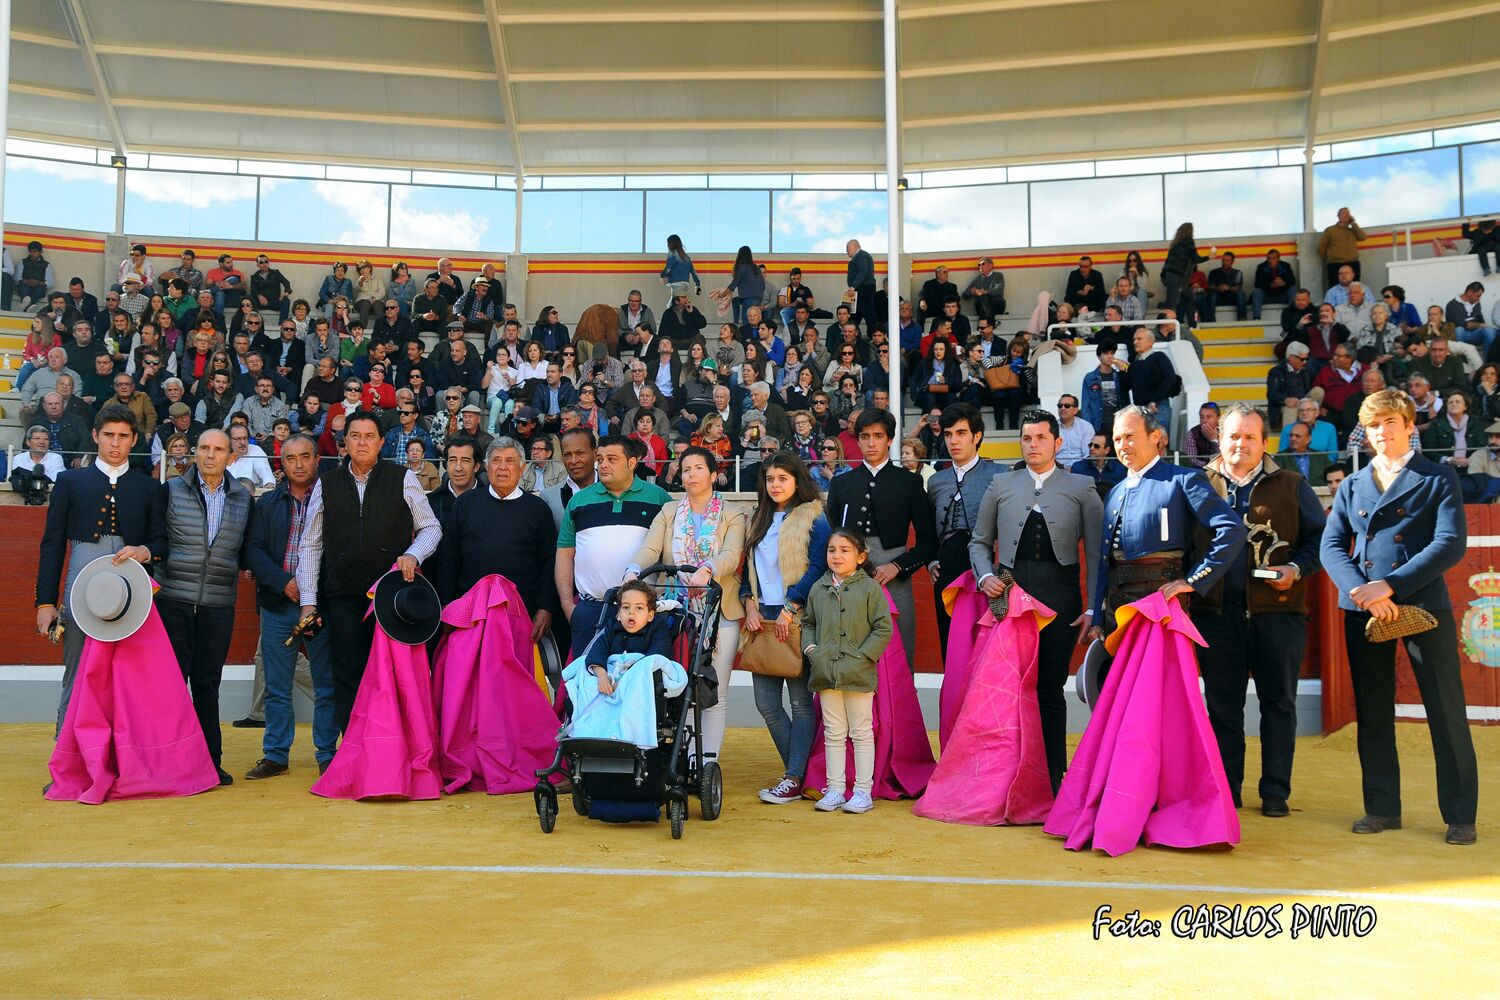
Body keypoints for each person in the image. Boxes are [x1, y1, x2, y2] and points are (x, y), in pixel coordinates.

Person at [1320, 389, 1477, 845]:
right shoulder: (1352, 485)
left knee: (1445, 708)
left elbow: (1449, 543)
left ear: (1410, 426)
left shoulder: (1437, 476)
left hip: (1423, 602)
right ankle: (1382, 808)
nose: (1382, 432)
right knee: (1372, 710)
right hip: (1364, 607)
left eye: (1391, 422)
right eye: (1373, 425)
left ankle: (1460, 814)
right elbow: (1332, 547)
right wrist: (1362, 592)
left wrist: (1389, 586)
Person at [1191, 404, 1326, 816]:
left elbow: (1320, 540)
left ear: (1263, 442)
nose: (1241, 444)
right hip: (1215, 615)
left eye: (1250, 437)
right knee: (1222, 707)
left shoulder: (1292, 484)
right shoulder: (1198, 484)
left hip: (1278, 613)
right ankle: (1227, 790)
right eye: (1233, 435)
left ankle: (1274, 793)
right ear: (1220, 438)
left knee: (1279, 704)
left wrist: (1296, 567)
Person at [970, 409, 1102, 791]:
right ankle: (1007, 773)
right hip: (1011, 595)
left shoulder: (1081, 487)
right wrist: (986, 575)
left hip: (1061, 597)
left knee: (1049, 688)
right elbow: (979, 542)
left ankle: (1053, 776)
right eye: (1027, 438)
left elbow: (1095, 554)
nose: (1033, 445)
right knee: (1008, 688)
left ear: (1057, 443)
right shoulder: (1001, 484)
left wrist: (1092, 606)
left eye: (1041, 438)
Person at [296, 411, 442, 736]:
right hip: (344, 597)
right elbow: (310, 545)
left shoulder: (403, 478)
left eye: (369, 436)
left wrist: (413, 554)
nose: (362, 442)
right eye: (355, 436)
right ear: (344, 442)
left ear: (380, 442)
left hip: (391, 599)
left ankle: (394, 752)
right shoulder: (327, 483)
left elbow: (431, 528)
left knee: (392, 677)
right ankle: (354, 753)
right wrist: (308, 601)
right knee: (347, 677)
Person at [34, 406, 166, 733]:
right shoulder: (69, 481)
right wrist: (45, 603)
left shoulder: (148, 488)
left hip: (133, 589)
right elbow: (51, 545)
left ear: (134, 439)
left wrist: (145, 551)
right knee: (77, 671)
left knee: (131, 676)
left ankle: (125, 760)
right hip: (81, 585)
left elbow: (162, 543)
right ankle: (68, 763)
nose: (115, 443)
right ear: (95, 436)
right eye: (109, 435)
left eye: (123, 436)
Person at [1085, 406, 1246, 655]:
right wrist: (1097, 616)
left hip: (1161, 606)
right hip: (1117, 611)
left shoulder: (1183, 480)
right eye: (1117, 439)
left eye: (1130, 436)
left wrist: (1193, 580)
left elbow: (1231, 529)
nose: (1123, 445)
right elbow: (1106, 563)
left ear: (1155, 437)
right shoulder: (1115, 491)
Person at [626, 445, 746, 759]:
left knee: (712, 690)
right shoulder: (669, 512)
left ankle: (707, 762)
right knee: (678, 686)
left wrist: (708, 569)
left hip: (720, 612)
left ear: (714, 474)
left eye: (698, 468)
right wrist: (632, 571)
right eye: (686, 468)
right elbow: (651, 549)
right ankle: (682, 757)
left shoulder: (732, 514)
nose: (691, 474)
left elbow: (731, 554)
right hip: (675, 613)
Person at [154, 429, 254, 786]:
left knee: (208, 684)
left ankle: (210, 762)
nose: (211, 455)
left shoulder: (243, 498)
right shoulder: (169, 491)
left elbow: (248, 550)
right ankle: (168, 760)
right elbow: (156, 542)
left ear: (231, 456)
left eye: (219, 449)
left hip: (217, 603)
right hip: (174, 599)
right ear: (195, 453)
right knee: (172, 683)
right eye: (205, 448)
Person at [240, 433, 337, 779]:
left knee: (326, 684)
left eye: (305, 457)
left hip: (321, 605)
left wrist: (312, 588)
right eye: (291, 458)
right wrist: (284, 582)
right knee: (277, 685)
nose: (298, 464)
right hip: (278, 604)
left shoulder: (334, 499)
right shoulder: (266, 504)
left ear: (316, 460)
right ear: (282, 463)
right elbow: (252, 551)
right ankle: (276, 754)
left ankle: (327, 753)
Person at [738, 454, 831, 804]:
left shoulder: (813, 515)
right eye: (770, 479)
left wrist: (791, 608)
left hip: (797, 615)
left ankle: (793, 776)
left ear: (796, 480)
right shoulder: (758, 518)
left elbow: (819, 565)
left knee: (799, 702)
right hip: (761, 616)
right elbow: (747, 569)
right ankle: (803, 772)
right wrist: (749, 603)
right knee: (766, 704)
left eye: (782, 478)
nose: (775, 485)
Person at [825, 409, 936, 666]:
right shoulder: (842, 484)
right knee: (849, 652)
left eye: (878, 436)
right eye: (865, 436)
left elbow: (928, 541)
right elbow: (831, 537)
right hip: (849, 577)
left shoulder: (909, 482)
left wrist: (897, 566)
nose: (871, 443)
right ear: (858, 439)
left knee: (900, 653)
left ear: (889, 440)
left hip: (895, 576)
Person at [800, 528, 892, 814]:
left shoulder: (870, 589)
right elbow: (808, 623)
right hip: (826, 671)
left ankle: (863, 791)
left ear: (861, 556)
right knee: (833, 731)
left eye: (844, 550)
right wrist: (811, 651)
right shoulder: (819, 587)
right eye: (831, 550)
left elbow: (883, 627)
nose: (836, 555)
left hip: (858, 672)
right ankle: (835, 788)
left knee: (862, 731)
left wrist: (864, 656)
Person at [555, 435, 671, 657]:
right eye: (600, 459)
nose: (603, 465)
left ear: (632, 463)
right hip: (590, 610)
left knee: (636, 684)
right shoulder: (579, 500)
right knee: (589, 682)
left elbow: (670, 553)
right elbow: (565, 554)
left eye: (611, 459)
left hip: (640, 612)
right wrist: (568, 606)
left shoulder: (659, 499)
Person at [431, 438, 557, 642]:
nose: (502, 467)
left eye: (509, 461)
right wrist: (446, 603)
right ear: (487, 466)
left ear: (522, 467)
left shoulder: (538, 509)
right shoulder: (466, 503)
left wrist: (545, 607)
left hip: (520, 613)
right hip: (470, 613)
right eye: (496, 460)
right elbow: (449, 557)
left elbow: (548, 562)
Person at [923, 404, 1001, 655]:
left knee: (984, 641)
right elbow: (930, 529)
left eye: (960, 433)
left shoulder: (999, 474)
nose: (953, 441)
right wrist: (931, 560)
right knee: (950, 641)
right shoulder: (936, 481)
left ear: (976, 436)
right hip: (946, 566)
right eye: (948, 434)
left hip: (985, 566)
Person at [426, 434, 480, 527]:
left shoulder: (493, 501)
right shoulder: (429, 502)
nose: (458, 468)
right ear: (446, 465)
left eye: (465, 460)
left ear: (476, 466)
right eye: (452, 460)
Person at [1275, 421, 1331, 486]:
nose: (1293, 438)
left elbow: (1332, 475)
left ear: (1308, 439)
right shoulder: (1280, 457)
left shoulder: (1321, 457)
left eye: (1297, 436)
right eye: (1291, 435)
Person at [1251, 249, 1296, 319]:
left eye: (1274, 258)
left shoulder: (1285, 265)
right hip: (1267, 297)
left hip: (1282, 296)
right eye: (1269, 258)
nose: (1271, 261)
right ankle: (1256, 317)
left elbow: (1292, 281)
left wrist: (1283, 283)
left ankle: (1293, 316)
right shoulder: (1261, 267)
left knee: (1293, 289)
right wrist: (1271, 284)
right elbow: (1257, 284)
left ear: (1278, 259)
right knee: (1257, 292)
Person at [1204, 252, 1246, 322]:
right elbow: (1210, 287)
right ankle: (1211, 320)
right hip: (1218, 298)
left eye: (1227, 260)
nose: (1224, 262)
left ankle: (1242, 318)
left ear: (1232, 262)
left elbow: (1239, 287)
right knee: (1212, 295)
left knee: (1241, 294)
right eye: (1223, 260)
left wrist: (1228, 288)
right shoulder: (1214, 272)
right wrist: (1218, 288)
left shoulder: (1238, 273)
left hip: (1231, 297)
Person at [845, 239, 876, 333]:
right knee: (855, 316)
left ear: (854, 246)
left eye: (847, 248)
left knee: (868, 314)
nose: (846, 251)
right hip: (858, 290)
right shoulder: (859, 257)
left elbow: (862, 272)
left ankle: (873, 334)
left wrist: (853, 287)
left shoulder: (861, 255)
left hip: (864, 289)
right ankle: (852, 335)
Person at [1183, 402, 1221, 468]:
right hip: (1199, 471)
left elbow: (1225, 456)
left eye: (1209, 417)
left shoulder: (1224, 432)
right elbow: (1192, 460)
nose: (1204, 420)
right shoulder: (1192, 434)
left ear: (1218, 419)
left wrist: (1214, 440)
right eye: (1202, 417)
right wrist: (1209, 467)